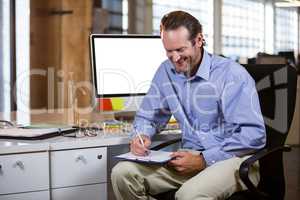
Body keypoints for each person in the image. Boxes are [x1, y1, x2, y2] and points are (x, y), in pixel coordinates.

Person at [111, 10, 266, 200]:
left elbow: (253, 136)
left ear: (198, 40)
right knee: (122, 174)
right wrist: (141, 135)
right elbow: (148, 116)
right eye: (169, 51)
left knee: (188, 195)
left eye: (180, 50)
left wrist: (203, 160)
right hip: (186, 158)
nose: (175, 58)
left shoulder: (232, 75)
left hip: (233, 160)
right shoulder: (165, 72)